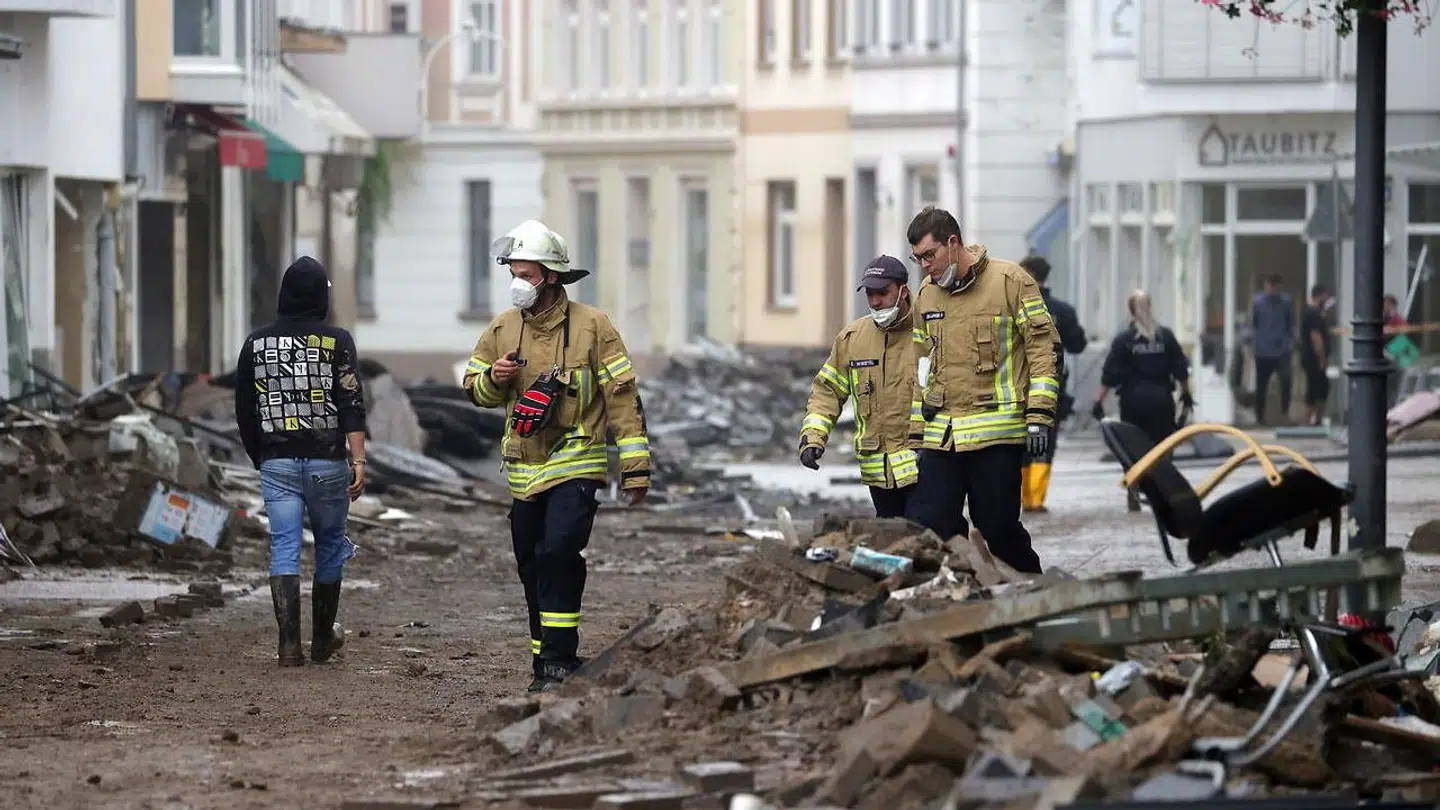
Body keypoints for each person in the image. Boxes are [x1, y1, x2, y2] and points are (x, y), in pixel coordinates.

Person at [461, 219, 651, 693]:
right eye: (513, 273)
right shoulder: (503, 329)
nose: (517, 284)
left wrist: (635, 467)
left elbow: (623, 397)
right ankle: (542, 659)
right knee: (530, 563)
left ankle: (559, 661)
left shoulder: (594, 327)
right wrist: (495, 380)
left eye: (525, 275)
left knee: (559, 551)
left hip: (577, 458)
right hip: (524, 468)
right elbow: (474, 389)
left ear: (550, 276)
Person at [902, 206, 1060, 574]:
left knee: (998, 528)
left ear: (953, 243)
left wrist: (1039, 416)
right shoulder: (928, 295)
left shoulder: (1011, 282)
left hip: (997, 437)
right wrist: (916, 434)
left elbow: (1043, 350)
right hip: (945, 436)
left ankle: (1032, 592)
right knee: (932, 524)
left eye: (930, 255)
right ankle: (965, 593)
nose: (925, 266)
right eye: (918, 259)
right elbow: (921, 365)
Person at [234, 256, 368, 667]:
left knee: (284, 546)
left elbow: (245, 409)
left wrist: (262, 456)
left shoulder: (255, 344)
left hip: (277, 464)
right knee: (329, 546)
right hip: (327, 464)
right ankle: (323, 643)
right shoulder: (337, 341)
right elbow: (351, 402)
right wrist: (358, 460)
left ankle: (288, 647)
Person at [798, 256, 919, 517]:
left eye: (883, 293)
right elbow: (827, 391)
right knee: (893, 542)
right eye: (870, 294)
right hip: (879, 474)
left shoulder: (930, 331)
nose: (875, 302)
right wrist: (813, 439)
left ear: (903, 291)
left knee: (934, 535)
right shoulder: (853, 340)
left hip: (927, 468)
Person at [1091, 289, 1193, 512]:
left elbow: (1109, 374)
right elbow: (1181, 369)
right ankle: (1167, 496)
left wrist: (1098, 401)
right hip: (1162, 401)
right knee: (1164, 448)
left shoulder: (1124, 340)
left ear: (1130, 310)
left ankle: (1134, 492)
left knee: (1132, 447)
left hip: (1133, 402)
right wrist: (1186, 394)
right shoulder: (1165, 337)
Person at [1016, 255, 1088, 514]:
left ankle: (1023, 498)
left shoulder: (1015, 305)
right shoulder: (1063, 311)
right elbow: (1079, 345)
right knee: (1045, 439)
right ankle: (1036, 499)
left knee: (1018, 440)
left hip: (1017, 385)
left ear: (1028, 274)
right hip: (1052, 386)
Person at [1251, 274, 1294, 426]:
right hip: (1263, 350)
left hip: (1282, 349)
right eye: (1269, 286)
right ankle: (1259, 416)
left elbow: (1290, 323)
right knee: (1261, 384)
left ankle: (1284, 413)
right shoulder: (1258, 302)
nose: (1271, 289)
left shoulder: (1286, 303)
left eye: (1274, 286)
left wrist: (1290, 341)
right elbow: (1254, 324)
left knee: (1286, 381)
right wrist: (1253, 344)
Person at [1299, 284, 1334, 427]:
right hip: (1313, 358)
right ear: (1320, 295)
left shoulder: (1316, 312)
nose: (1327, 299)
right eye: (1325, 296)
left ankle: (1317, 420)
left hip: (1312, 357)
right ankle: (1307, 421)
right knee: (1314, 389)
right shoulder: (1313, 313)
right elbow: (1316, 338)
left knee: (1322, 388)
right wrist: (1322, 358)